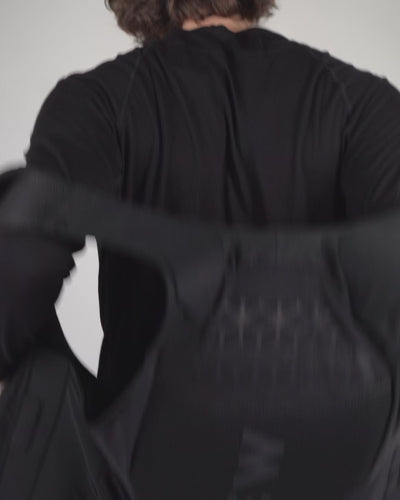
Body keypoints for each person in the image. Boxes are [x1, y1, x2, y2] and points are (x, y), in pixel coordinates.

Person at [0, 0, 400, 494]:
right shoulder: (363, 101)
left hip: (149, 465)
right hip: (341, 462)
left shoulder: (100, 101)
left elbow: (19, 268)